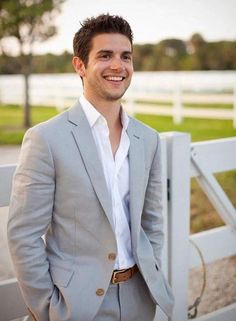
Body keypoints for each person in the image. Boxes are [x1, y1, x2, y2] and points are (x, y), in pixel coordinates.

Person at [7, 14, 174, 321]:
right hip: (76, 306)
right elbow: (23, 234)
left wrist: (151, 271)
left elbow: (152, 223)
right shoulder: (46, 138)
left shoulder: (147, 139)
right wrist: (47, 308)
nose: (117, 66)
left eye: (126, 56)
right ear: (80, 66)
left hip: (140, 298)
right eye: (105, 56)